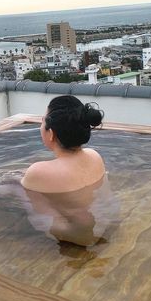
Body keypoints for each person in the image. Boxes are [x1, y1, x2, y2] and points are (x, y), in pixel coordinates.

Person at [21, 95, 111, 246]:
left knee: (10, 187)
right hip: (104, 225)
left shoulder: (37, 171)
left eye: (43, 121)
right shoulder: (95, 156)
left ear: (51, 134)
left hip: (71, 235)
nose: (41, 125)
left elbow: (38, 216)